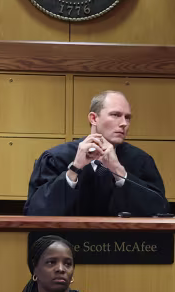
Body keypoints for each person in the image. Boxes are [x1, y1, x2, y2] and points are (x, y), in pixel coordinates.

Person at [23, 90, 167, 217]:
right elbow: (35, 212)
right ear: (93, 118)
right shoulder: (57, 158)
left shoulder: (140, 161)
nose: (124, 123)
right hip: (70, 238)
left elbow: (160, 210)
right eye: (115, 115)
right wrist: (74, 169)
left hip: (123, 239)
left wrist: (119, 171)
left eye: (127, 117)